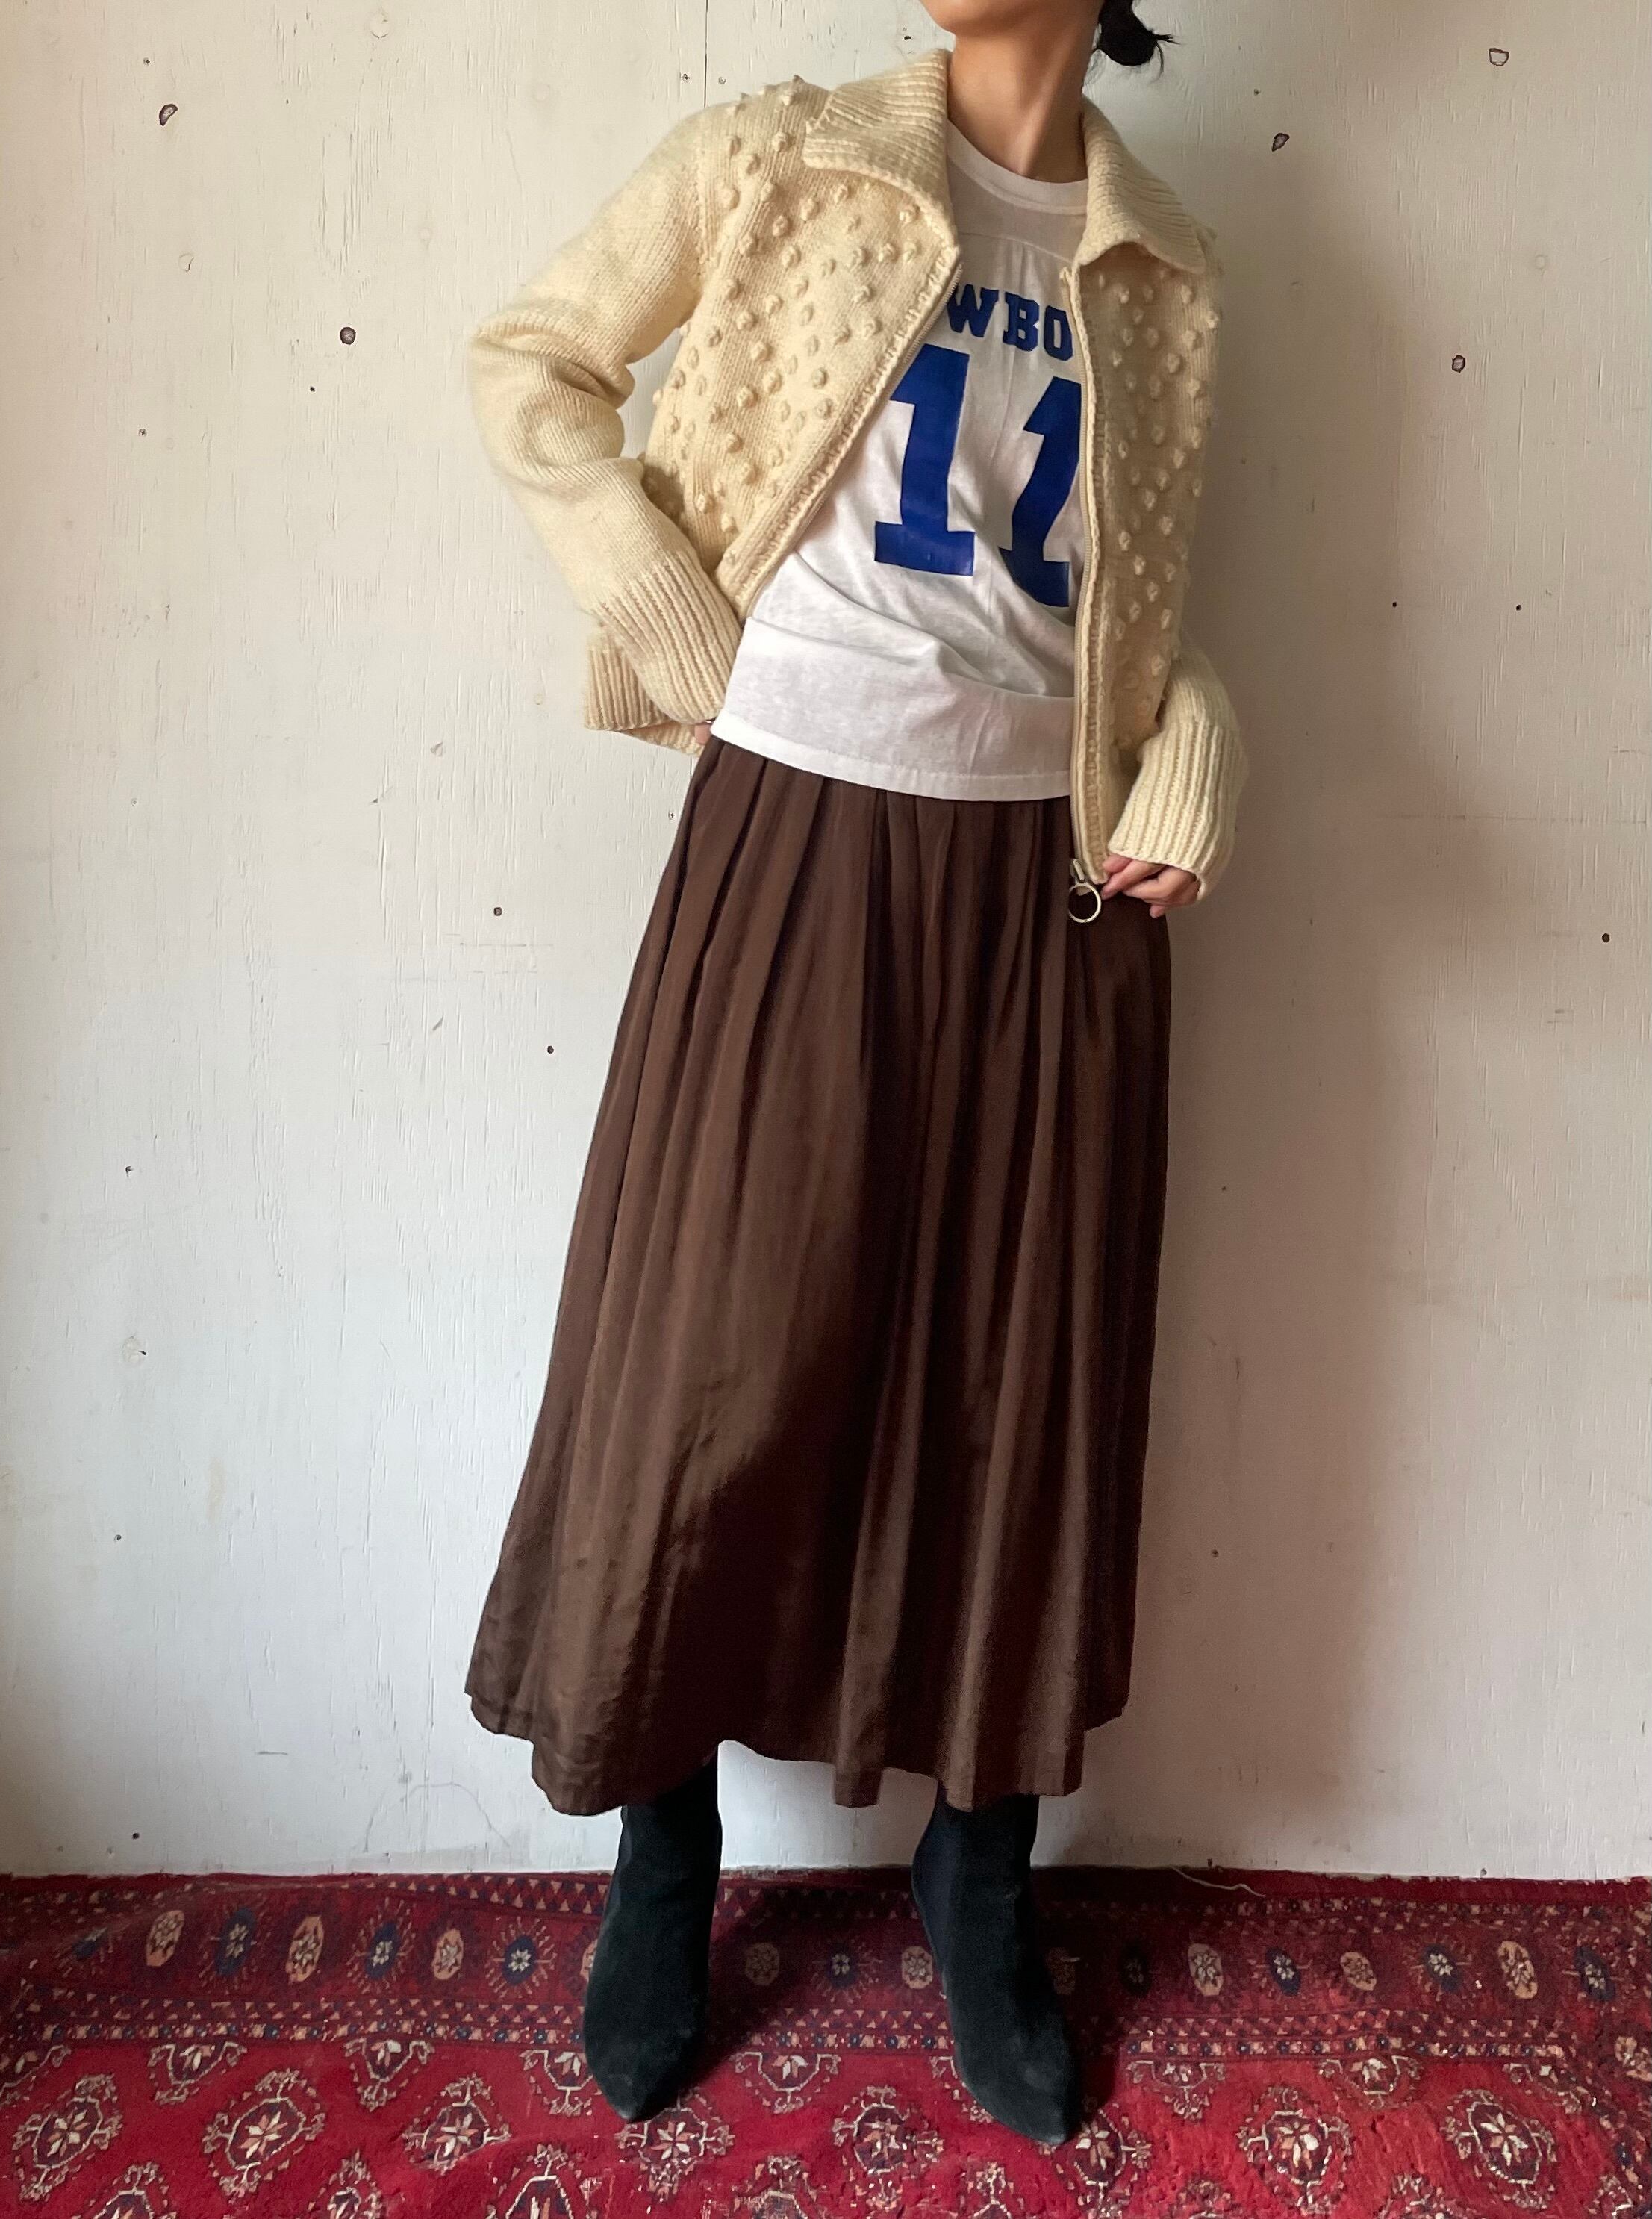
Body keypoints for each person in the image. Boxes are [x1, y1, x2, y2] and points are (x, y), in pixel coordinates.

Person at [464, 0, 1245, 2147]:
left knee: (1018, 1388)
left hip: (1050, 893)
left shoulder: (1165, 266)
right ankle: (662, 1856)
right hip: (794, 835)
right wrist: (676, 617)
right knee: (706, 1363)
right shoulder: (783, 154)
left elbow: (1139, 608)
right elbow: (529, 364)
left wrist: (1190, 747)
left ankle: (980, 1878)